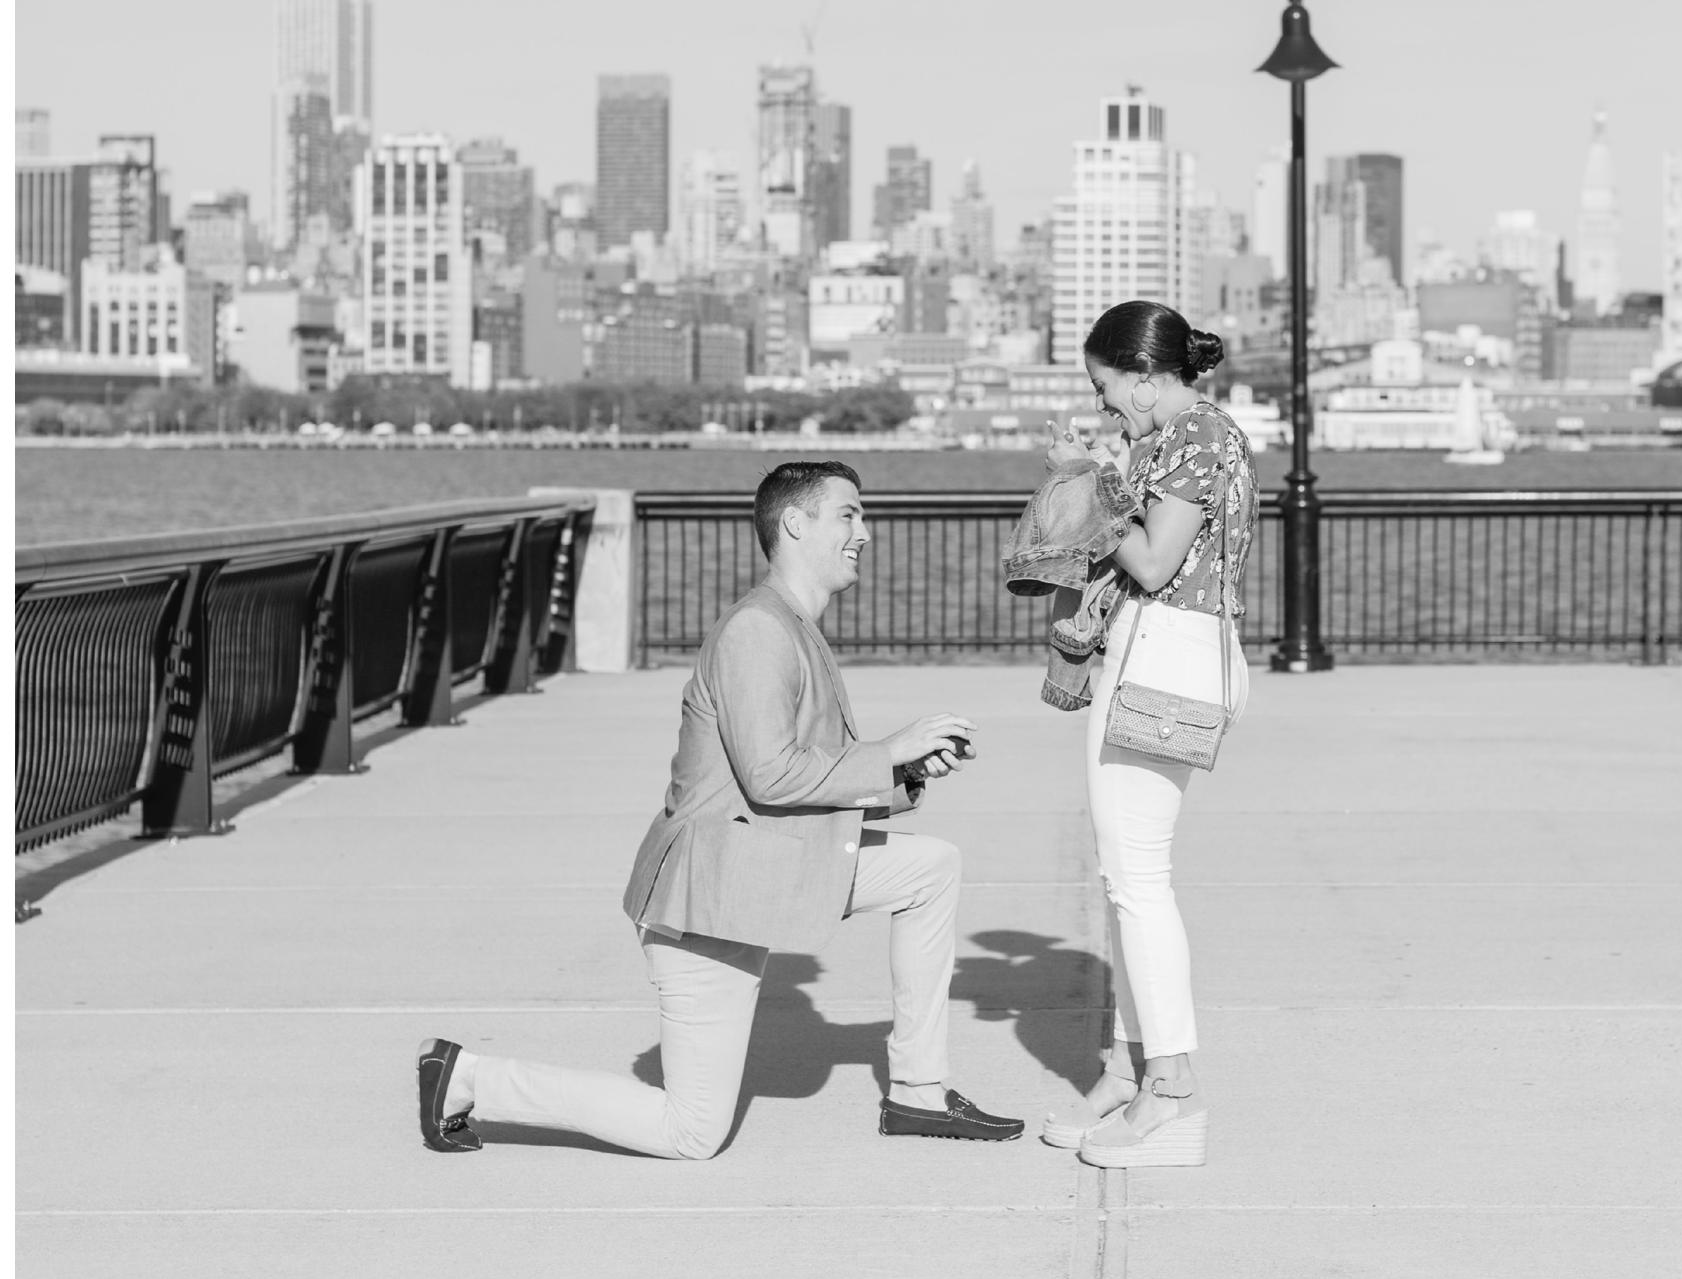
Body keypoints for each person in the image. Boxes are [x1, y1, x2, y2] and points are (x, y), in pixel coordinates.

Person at [413, 460, 1023, 1156]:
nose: (866, 532)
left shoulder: (792, 625)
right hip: (705, 901)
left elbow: (798, 776)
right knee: (691, 1131)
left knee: (933, 867)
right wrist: (889, 748)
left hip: (756, 875)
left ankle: (919, 1091)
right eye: (849, 514)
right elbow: (770, 776)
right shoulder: (757, 631)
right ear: (795, 523)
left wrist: (902, 769)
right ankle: (467, 1078)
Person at [1038, 297, 1259, 1169]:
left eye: (1106, 389)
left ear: (1141, 373)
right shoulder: (1188, 435)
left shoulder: (1194, 435)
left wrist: (1087, 480)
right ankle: (1141, 1078)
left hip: (1163, 655)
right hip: (1170, 653)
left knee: (1140, 880)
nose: (1104, 408)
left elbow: (1155, 560)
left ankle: (1169, 1092)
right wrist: (1108, 470)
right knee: (1129, 875)